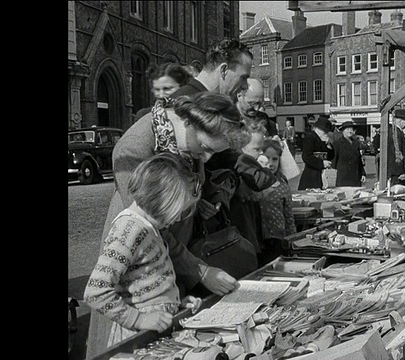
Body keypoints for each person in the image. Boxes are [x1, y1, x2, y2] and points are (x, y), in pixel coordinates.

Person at [86, 92, 243, 358]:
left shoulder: (189, 142)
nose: (205, 159)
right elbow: (154, 227)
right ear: (190, 123)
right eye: (205, 148)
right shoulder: (135, 148)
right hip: (132, 301)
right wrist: (200, 271)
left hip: (161, 279)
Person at [84, 153, 203, 348]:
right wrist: (138, 319)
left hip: (153, 331)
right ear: (161, 199)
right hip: (137, 338)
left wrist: (175, 303)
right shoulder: (129, 230)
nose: (179, 218)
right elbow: (95, 291)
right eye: (178, 210)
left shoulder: (147, 227)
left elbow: (145, 282)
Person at [230, 121, 278, 265]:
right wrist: (266, 169)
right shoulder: (243, 160)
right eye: (257, 149)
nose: (261, 153)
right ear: (242, 147)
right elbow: (259, 181)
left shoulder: (246, 160)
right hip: (241, 215)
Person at [169, 39, 253, 100]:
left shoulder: (183, 98)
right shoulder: (187, 105)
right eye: (243, 77)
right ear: (224, 70)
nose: (245, 86)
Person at [257, 139, 297, 265]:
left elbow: (288, 216)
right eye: (266, 158)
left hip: (278, 239)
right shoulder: (252, 181)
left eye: (275, 159)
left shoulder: (282, 183)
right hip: (258, 239)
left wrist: (292, 240)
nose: (271, 163)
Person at [373, 109, 405, 186]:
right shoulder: (397, 133)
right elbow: (401, 154)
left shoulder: (387, 131)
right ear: (402, 121)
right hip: (397, 173)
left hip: (386, 171)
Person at [298, 116, 334, 190]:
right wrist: (322, 163)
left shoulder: (322, 139)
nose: (326, 133)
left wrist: (328, 146)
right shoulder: (310, 138)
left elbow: (331, 156)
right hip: (311, 174)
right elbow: (307, 157)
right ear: (318, 129)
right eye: (325, 131)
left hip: (322, 174)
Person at [332, 121, 366, 187]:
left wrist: (362, 174)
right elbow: (334, 160)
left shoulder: (355, 143)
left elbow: (359, 160)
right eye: (347, 129)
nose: (350, 131)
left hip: (355, 176)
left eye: (351, 129)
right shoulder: (337, 143)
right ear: (343, 131)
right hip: (343, 176)